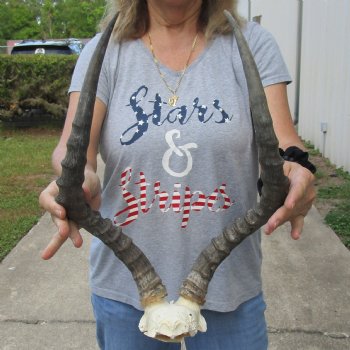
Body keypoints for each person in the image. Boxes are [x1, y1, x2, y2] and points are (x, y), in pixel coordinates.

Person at [39, 1, 316, 349]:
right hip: (127, 288)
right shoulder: (105, 50)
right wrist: (78, 179)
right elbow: (74, 148)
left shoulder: (250, 43)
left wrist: (295, 169)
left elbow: (283, 143)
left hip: (230, 285)